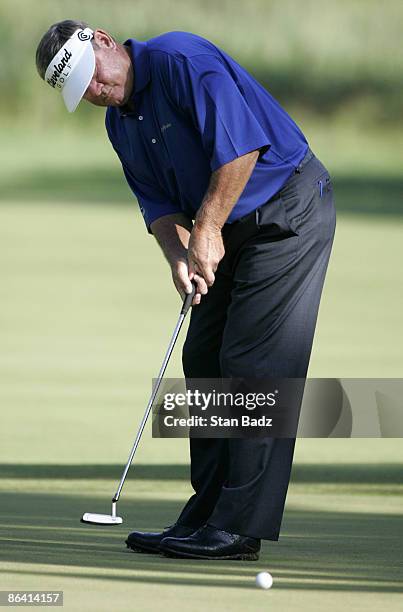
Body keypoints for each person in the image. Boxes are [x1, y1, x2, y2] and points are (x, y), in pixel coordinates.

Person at [36, 21, 336, 561]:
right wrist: (180, 256)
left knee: (252, 362)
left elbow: (241, 150)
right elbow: (155, 202)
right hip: (224, 225)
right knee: (202, 357)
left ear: (103, 40)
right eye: (84, 92)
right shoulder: (119, 123)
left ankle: (239, 528)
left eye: (94, 78)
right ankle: (208, 511)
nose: (98, 92)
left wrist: (206, 231)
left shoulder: (180, 59)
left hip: (285, 211)